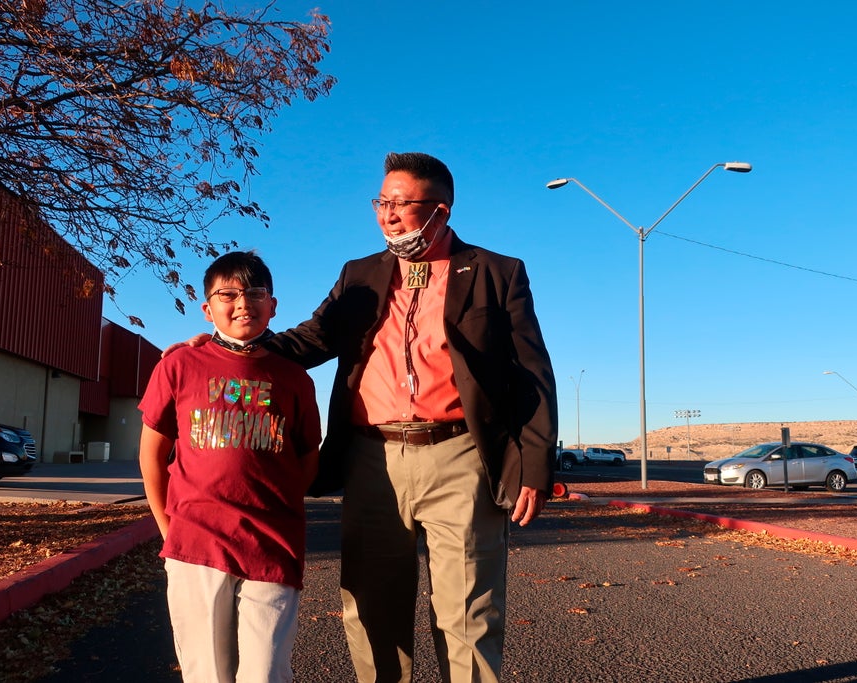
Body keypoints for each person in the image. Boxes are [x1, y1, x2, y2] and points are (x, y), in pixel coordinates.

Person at [174, 152, 557, 682]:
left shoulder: (496, 272)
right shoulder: (361, 275)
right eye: (381, 202)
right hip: (372, 459)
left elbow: (531, 373)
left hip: (461, 456)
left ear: (440, 211)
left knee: (469, 614)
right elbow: (311, 339)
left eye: (401, 203)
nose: (387, 215)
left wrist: (535, 466)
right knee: (373, 610)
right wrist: (228, 347)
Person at [139, 250, 321, 683]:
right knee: (207, 672)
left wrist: (276, 503)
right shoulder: (179, 366)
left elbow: (307, 456)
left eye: (255, 294)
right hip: (197, 543)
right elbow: (152, 455)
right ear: (207, 309)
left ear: (272, 305)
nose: (243, 304)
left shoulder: (294, 378)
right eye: (229, 294)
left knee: (266, 672)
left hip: (272, 544)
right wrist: (167, 527)